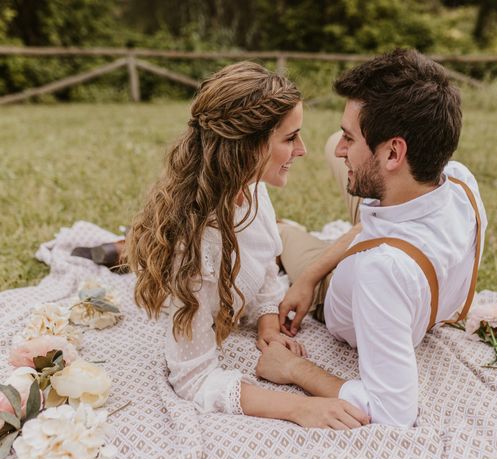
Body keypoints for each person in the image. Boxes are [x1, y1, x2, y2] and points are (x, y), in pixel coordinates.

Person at [126, 62, 369, 429]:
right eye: (290, 138)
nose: (301, 150)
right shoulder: (195, 249)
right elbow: (193, 379)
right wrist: (297, 408)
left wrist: (268, 322)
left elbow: (266, 260)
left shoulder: (251, 187)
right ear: (249, 147)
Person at [256, 49, 488, 427]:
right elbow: (382, 228)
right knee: (340, 155)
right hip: (395, 208)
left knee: (276, 233)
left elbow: (393, 412)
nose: (341, 148)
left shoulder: (380, 272)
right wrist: (309, 276)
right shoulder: (460, 181)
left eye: (351, 138)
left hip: (343, 287)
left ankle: (287, 229)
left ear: (394, 151)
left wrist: (293, 367)